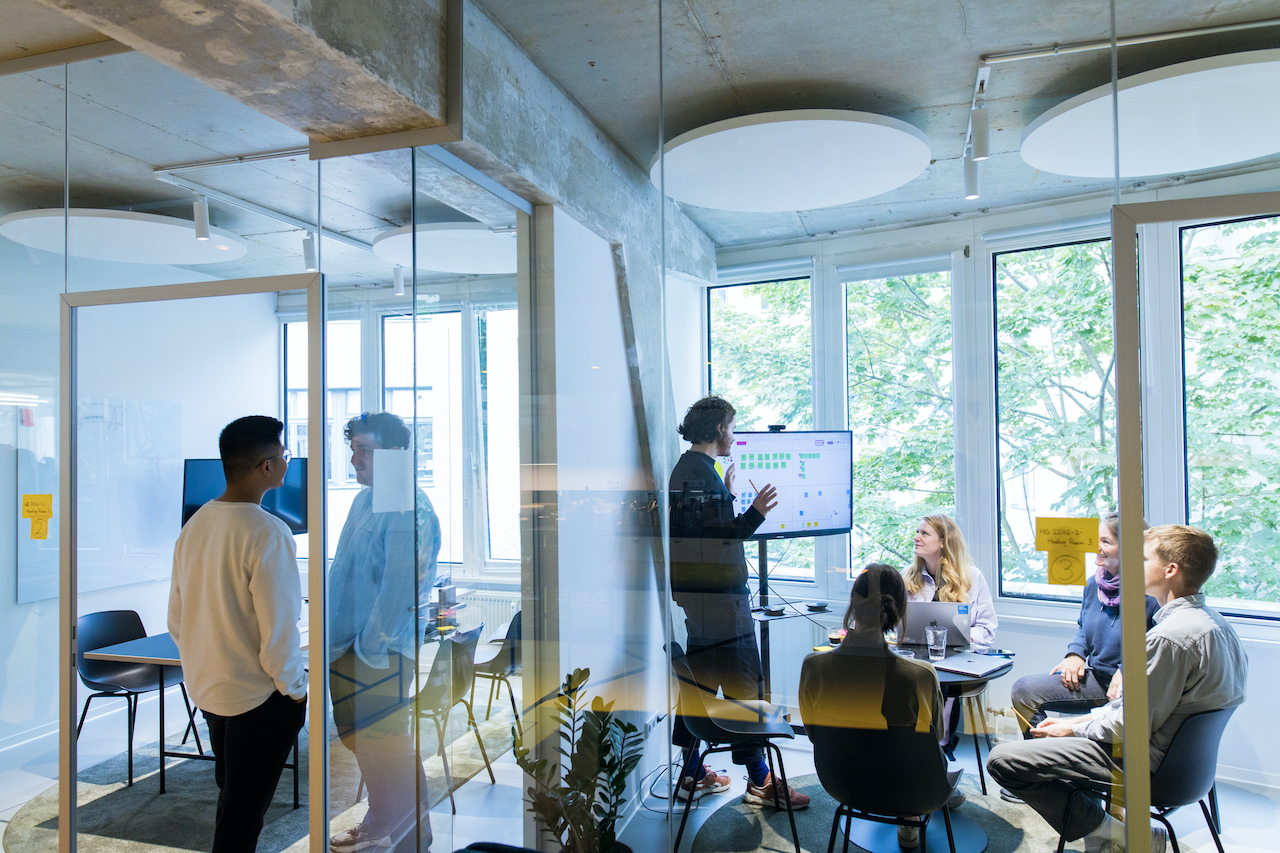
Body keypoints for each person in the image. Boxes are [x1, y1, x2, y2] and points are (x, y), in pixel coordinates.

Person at [987, 525, 1249, 853]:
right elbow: (1136, 711)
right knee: (1042, 727)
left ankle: (1125, 834)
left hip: (1146, 763)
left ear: (1170, 570)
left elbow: (1129, 725)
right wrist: (1077, 724)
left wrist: (1072, 729)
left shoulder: (1170, 638)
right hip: (1188, 770)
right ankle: (1099, 832)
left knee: (1003, 760)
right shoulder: (1218, 626)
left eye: (1141, 558)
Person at [168, 416, 308, 853]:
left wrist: (202, 667)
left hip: (210, 692)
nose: (288, 461)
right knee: (244, 816)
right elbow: (280, 631)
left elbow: (176, 617)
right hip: (259, 699)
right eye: (284, 455)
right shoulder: (268, 532)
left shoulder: (194, 526)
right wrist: (297, 691)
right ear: (266, 467)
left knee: (233, 801)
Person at [669, 396, 809, 810]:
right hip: (722, 605)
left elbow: (703, 531)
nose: (735, 435)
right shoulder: (695, 473)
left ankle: (692, 772)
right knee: (747, 686)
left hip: (706, 603)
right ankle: (761, 781)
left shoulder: (693, 471)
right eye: (732, 427)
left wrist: (728, 498)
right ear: (717, 431)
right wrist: (755, 513)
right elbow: (715, 541)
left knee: (699, 687)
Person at [328, 412, 441, 853]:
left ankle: (417, 840)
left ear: (395, 456)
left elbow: (399, 591)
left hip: (379, 655)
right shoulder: (364, 501)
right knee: (361, 743)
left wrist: (368, 650)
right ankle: (380, 820)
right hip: (346, 648)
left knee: (389, 748)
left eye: (365, 450)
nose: (355, 459)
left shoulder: (409, 508)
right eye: (353, 449)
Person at [800, 564, 958, 849]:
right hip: (916, 791)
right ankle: (910, 820)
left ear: (852, 604)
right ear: (898, 610)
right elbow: (936, 739)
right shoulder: (919, 675)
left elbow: (813, 733)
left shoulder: (814, 667)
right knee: (927, 763)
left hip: (842, 782)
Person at [1009, 513, 1159, 733]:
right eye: (1095, 540)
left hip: (1131, 687)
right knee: (1023, 691)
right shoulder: (1093, 585)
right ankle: (1046, 759)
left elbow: (1157, 646)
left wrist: (1127, 670)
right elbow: (1083, 627)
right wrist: (1075, 654)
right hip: (1098, 680)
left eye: (1105, 542)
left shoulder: (1150, 593)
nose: (1095, 547)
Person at [904, 513, 997, 749]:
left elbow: (987, 629)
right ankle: (910, 746)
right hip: (916, 658)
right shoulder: (909, 578)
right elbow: (897, 622)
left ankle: (938, 744)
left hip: (957, 658)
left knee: (941, 683)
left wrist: (961, 638)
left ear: (943, 541)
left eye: (924, 533)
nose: (916, 538)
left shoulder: (972, 578)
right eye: (917, 532)